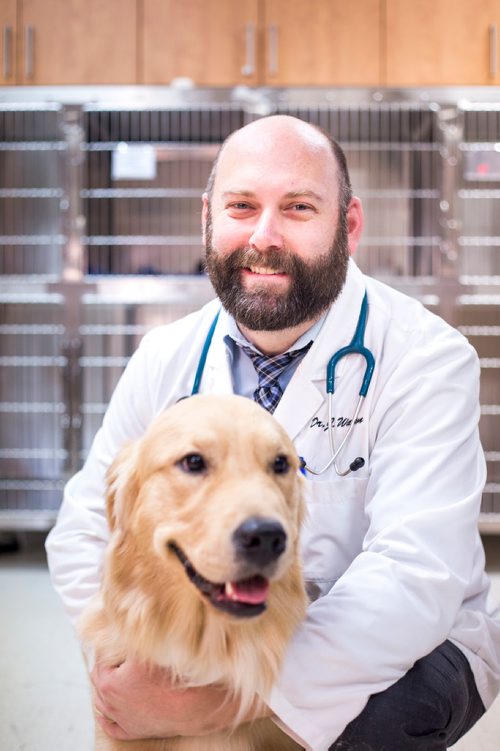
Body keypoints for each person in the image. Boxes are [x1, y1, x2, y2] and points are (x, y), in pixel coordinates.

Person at [46, 115, 500, 751]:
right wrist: (126, 665)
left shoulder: (425, 357)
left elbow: (416, 572)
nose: (265, 235)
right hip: (223, 630)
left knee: (373, 720)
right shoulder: (165, 355)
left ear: (348, 226)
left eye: (298, 207)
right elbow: (86, 526)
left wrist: (221, 705)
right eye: (241, 206)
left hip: (410, 644)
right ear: (209, 217)